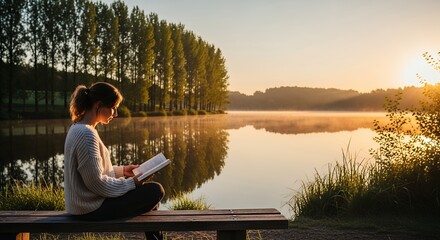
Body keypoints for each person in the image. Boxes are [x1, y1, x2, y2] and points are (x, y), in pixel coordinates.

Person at [64, 82, 164, 240]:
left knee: (148, 198)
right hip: (90, 209)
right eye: (113, 107)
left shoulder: (79, 128)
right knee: (155, 191)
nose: (116, 113)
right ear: (99, 105)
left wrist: (123, 171)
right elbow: (97, 183)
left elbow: (91, 170)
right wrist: (132, 183)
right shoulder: (86, 134)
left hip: (83, 206)